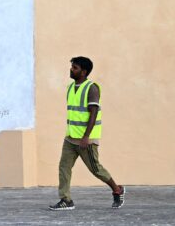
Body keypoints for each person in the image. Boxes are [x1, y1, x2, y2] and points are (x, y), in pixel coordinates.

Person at [49, 56, 125, 211]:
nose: (71, 69)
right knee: (64, 168)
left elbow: (93, 113)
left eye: (75, 67)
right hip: (70, 138)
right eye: (72, 66)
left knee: (96, 169)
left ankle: (117, 189)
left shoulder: (92, 88)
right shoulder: (70, 87)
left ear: (83, 72)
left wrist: (86, 137)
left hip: (86, 140)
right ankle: (66, 200)